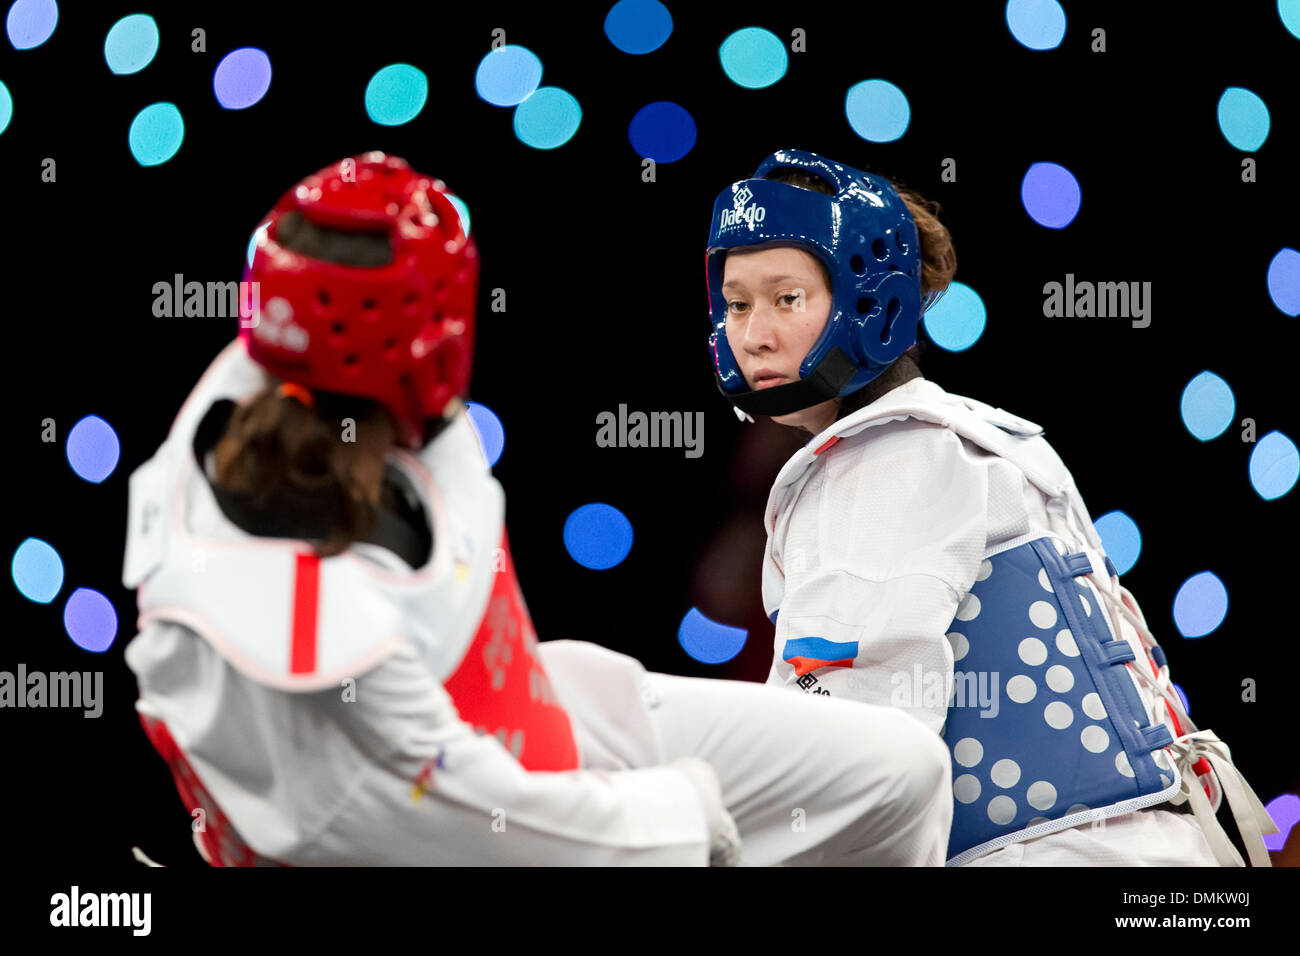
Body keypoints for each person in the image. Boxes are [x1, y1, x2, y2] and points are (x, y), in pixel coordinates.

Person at [120, 151, 954, 867]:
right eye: (739, 303)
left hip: (528, 701)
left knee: (903, 773)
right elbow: (494, 821)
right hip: (449, 821)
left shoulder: (283, 361)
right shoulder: (319, 649)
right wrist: (684, 818)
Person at [702, 146, 1278, 867]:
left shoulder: (881, 458)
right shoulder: (994, 435)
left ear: (866, 298)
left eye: (787, 298)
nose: (753, 334)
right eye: (736, 303)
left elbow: (857, 753)